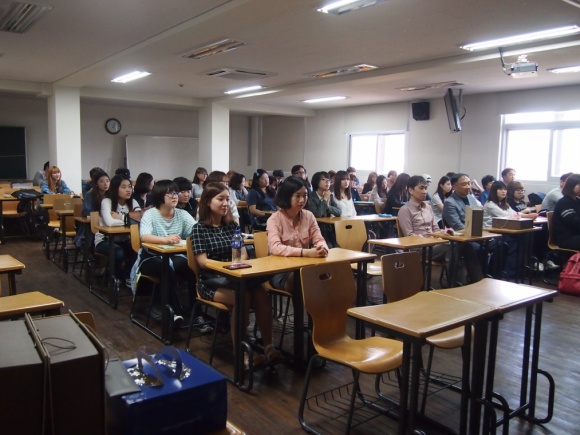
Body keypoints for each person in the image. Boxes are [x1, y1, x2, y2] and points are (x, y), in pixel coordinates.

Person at [193, 182, 279, 364]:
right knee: (243, 297)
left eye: (227, 199)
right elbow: (202, 261)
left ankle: (268, 346)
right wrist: (226, 267)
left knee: (262, 294)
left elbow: (243, 254)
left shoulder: (232, 226)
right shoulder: (199, 229)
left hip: (236, 277)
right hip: (211, 280)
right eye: (220, 199)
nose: (226, 203)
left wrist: (239, 264)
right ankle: (241, 353)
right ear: (207, 201)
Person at [135, 179, 197, 325]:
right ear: (159, 196)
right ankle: (174, 312)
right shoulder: (150, 214)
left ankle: (195, 310)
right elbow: (144, 237)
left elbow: (196, 231)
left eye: (176, 193)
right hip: (151, 257)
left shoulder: (182, 214)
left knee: (192, 268)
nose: (175, 196)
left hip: (175, 255)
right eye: (170, 194)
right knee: (166, 269)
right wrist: (165, 240)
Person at [267, 176, 329, 293]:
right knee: (303, 280)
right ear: (287, 196)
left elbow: (319, 239)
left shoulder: (309, 216)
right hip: (281, 270)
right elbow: (275, 248)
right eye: (297, 195)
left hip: (305, 266)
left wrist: (322, 248)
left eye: (305, 195)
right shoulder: (274, 219)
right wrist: (305, 252)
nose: (302, 200)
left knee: (328, 276)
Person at [95, 175, 140, 284]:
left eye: (129, 186)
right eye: (123, 187)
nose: (128, 190)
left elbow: (140, 221)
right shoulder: (107, 202)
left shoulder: (133, 202)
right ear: (115, 189)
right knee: (119, 252)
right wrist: (130, 220)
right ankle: (114, 278)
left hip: (125, 239)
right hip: (105, 240)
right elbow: (110, 223)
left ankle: (127, 275)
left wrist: (120, 217)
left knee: (140, 250)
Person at [442, 173, 486, 283]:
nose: (468, 187)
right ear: (454, 186)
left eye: (469, 183)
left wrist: (482, 233)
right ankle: (477, 280)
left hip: (475, 234)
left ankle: (491, 275)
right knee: (474, 248)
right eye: (464, 184)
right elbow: (457, 226)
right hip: (460, 238)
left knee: (498, 244)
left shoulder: (471, 198)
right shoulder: (449, 202)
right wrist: (476, 235)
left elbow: (478, 218)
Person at [397, 175, 447, 261]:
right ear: (411, 190)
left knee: (456, 245)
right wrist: (428, 240)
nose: (424, 192)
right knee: (449, 248)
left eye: (425, 188)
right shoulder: (405, 210)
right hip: (418, 248)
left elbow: (436, 229)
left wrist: (442, 235)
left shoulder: (428, 207)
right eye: (421, 188)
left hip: (433, 244)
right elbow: (409, 236)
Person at [482, 181, 519, 279]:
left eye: (505, 189)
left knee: (520, 239)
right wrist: (524, 214)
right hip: (490, 233)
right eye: (500, 189)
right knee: (511, 242)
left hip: (501, 231)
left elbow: (514, 213)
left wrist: (520, 214)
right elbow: (505, 215)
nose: (503, 191)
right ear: (494, 191)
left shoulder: (504, 204)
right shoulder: (490, 204)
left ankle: (514, 270)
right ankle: (508, 272)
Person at [553, 173, 580, 251]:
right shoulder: (563, 202)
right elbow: (574, 222)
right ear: (571, 185)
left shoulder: (577, 201)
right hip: (566, 238)